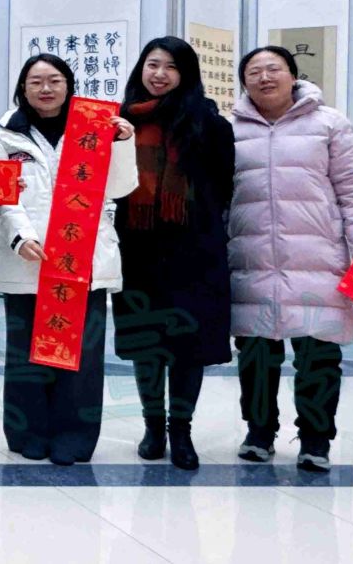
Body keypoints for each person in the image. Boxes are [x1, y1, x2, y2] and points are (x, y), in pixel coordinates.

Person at [229, 45, 353, 474]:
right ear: (244, 82)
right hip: (251, 258)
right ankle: (259, 432)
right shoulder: (230, 130)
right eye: (254, 72)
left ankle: (316, 438)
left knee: (318, 354)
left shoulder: (329, 124)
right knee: (255, 354)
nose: (264, 78)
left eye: (273, 69)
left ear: (293, 75)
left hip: (317, 258)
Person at [0, 53, 138, 467]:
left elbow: (120, 187)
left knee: (82, 356)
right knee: (26, 352)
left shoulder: (94, 127)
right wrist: (20, 237)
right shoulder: (6, 134)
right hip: (29, 258)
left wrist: (122, 144)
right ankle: (28, 432)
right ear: (23, 88)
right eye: (36, 81)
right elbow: (1, 195)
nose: (46, 89)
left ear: (69, 85)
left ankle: (75, 435)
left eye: (54, 80)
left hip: (82, 259)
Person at [115, 37, 235, 472]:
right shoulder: (120, 122)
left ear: (186, 74)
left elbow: (223, 189)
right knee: (147, 342)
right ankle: (153, 427)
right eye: (152, 64)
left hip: (193, 251)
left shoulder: (209, 124)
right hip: (137, 249)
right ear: (141, 69)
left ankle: (181, 431)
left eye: (171, 66)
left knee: (188, 345)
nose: (160, 74)